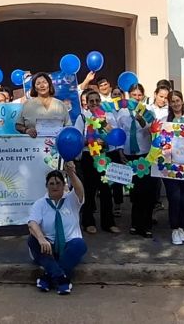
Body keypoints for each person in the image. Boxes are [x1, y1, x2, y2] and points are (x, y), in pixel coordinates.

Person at [27, 162, 87, 295]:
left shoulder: (71, 199)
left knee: (79, 244)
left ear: (64, 185)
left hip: (68, 246)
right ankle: (62, 279)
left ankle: (48, 276)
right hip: (48, 247)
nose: (55, 186)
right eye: (51, 184)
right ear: (46, 186)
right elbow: (32, 223)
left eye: (58, 183)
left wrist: (71, 173)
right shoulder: (40, 203)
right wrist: (42, 239)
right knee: (32, 240)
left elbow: (79, 189)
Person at [74, 90, 119, 234]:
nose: (94, 103)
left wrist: (105, 126)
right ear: (86, 103)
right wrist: (91, 141)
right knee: (89, 190)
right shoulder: (82, 117)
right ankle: (88, 222)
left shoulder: (107, 117)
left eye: (96, 100)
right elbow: (78, 139)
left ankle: (108, 223)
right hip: (89, 157)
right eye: (91, 101)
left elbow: (113, 136)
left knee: (106, 191)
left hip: (104, 156)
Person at [117, 83, 157, 237]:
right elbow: (119, 133)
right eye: (134, 95)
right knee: (134, 191)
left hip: (145, 154)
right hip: (129, 154)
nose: (137, 98)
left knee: (146, 191)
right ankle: (135, 223)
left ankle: (146, 225)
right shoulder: (122, 111)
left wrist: (142, 120)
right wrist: (120, 150)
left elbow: (152, 131)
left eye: (139, 95)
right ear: (129, 96)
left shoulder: (148, 111)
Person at [164, 90, 184, 245]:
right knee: (174, 197)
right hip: (169, 166)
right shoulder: (165, 120)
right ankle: (174, 228)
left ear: (182, 101)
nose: (175, 104)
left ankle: (181, 226)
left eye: (178, 100)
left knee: (183, 198)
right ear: (169, 103)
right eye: (172, 101)